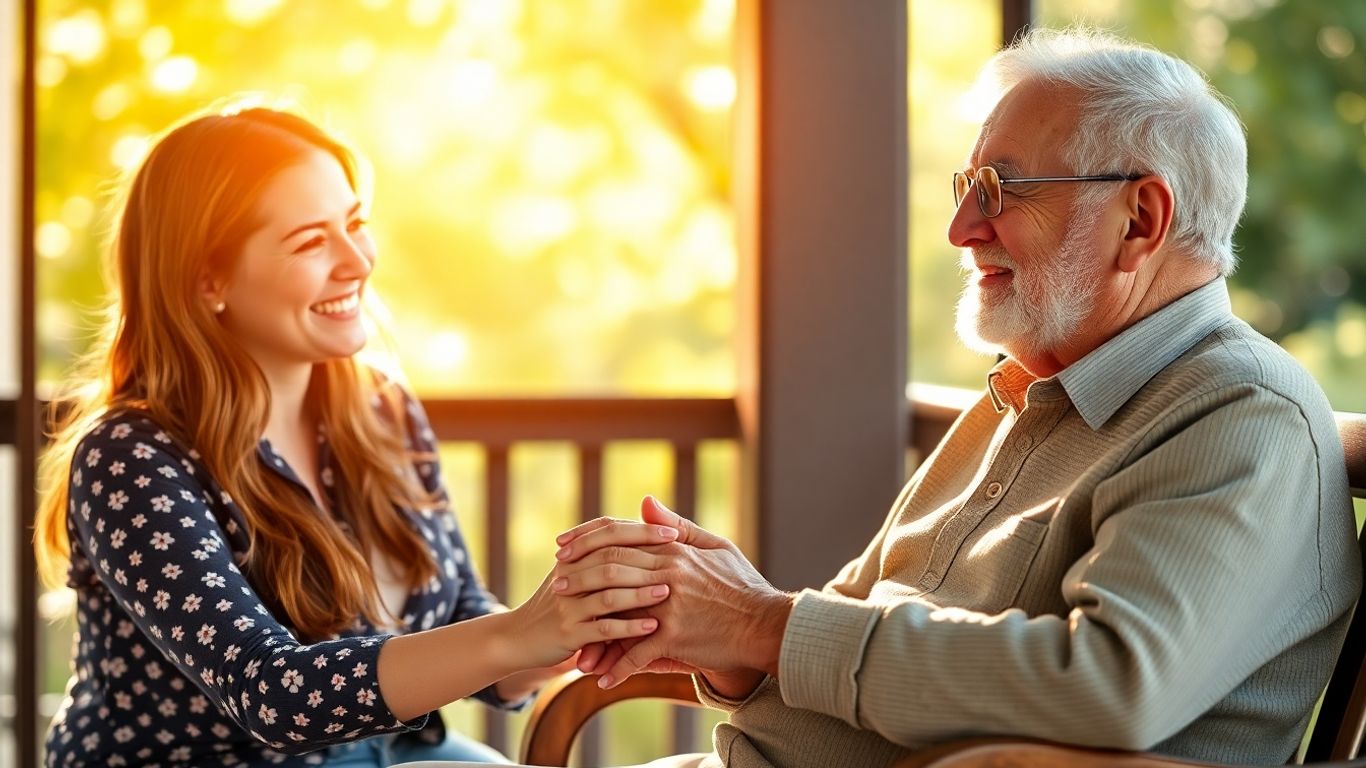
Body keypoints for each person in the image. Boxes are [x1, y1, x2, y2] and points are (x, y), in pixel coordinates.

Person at [541, 28, 1366, 768]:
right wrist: (724, 641)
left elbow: (1109, 689)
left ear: (1140, 220)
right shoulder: (1023, 397)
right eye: (967, 186)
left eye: (1001, 189)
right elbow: (847, 636)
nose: (962, 228)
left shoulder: (1243, 415)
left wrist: (759, 622)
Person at [32, 105, 680, 768]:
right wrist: (518, 634)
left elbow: (459, 615)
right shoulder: (130, 457)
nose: (357, 262)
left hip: (392, 752)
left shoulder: (380, 407)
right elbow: (270, 693)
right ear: (208, 279)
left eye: (355, 224)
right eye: (310, 242)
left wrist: (582, 623)